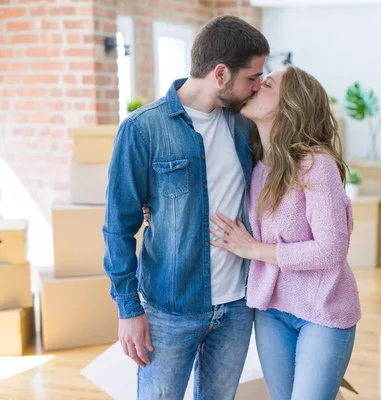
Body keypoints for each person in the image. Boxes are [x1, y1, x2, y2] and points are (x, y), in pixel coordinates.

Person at [102, 15, 269, 399]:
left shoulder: (244, 125)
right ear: (221, 73)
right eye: (252, 77)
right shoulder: (143, 129)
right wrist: (128, 309)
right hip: (170, 310)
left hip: (237, 306)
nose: (258, 86)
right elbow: (118, 226)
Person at [210, 66, 362, 400]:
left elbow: (331, 249)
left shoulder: (315, 164)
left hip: (322, 311)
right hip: (272, 311)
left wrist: (255, 250)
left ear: (290, 104)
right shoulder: (255, 163)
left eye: (266, 85)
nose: (254, 88)